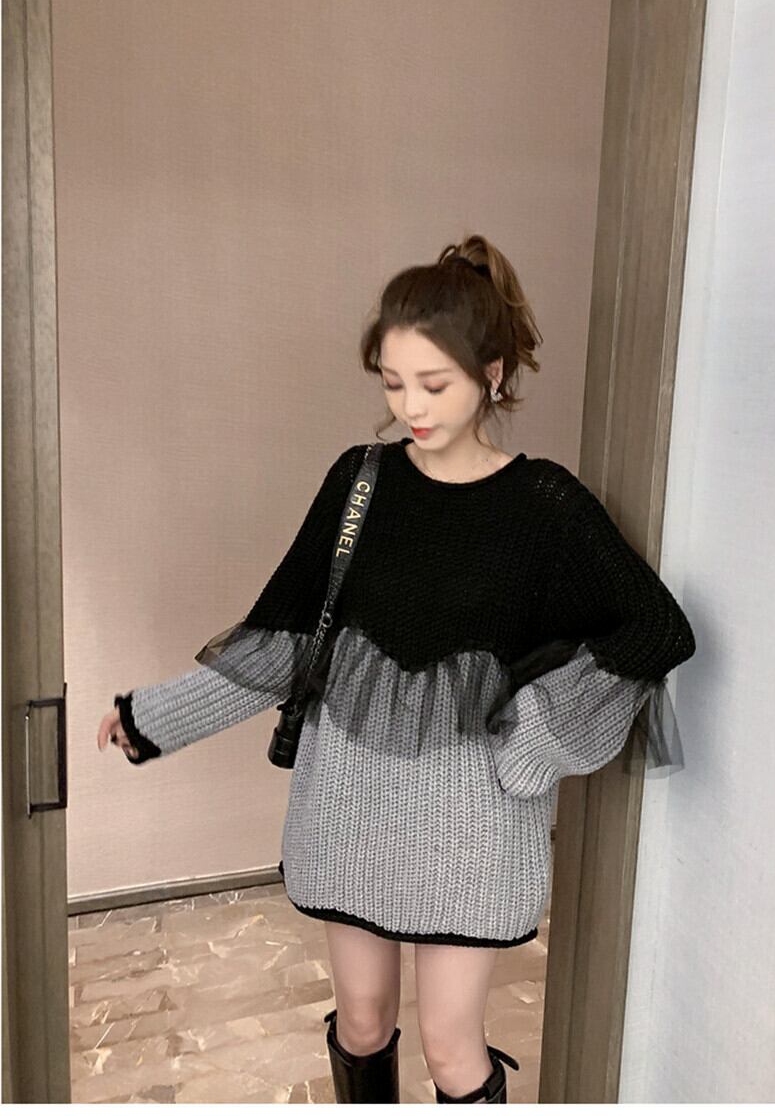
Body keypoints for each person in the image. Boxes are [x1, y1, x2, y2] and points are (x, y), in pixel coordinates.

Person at [97, 233, 696, 1103]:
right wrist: (155, 715)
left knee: (453, 1050)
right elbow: (283, 641)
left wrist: (537, 734)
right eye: (392, 382)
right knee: (363, 1022)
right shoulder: (360, 482)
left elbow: (656, 629)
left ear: (493, 373)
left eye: (434, 384)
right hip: (346, 806)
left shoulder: (546, 505)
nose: (410, 406)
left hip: (475, 824)